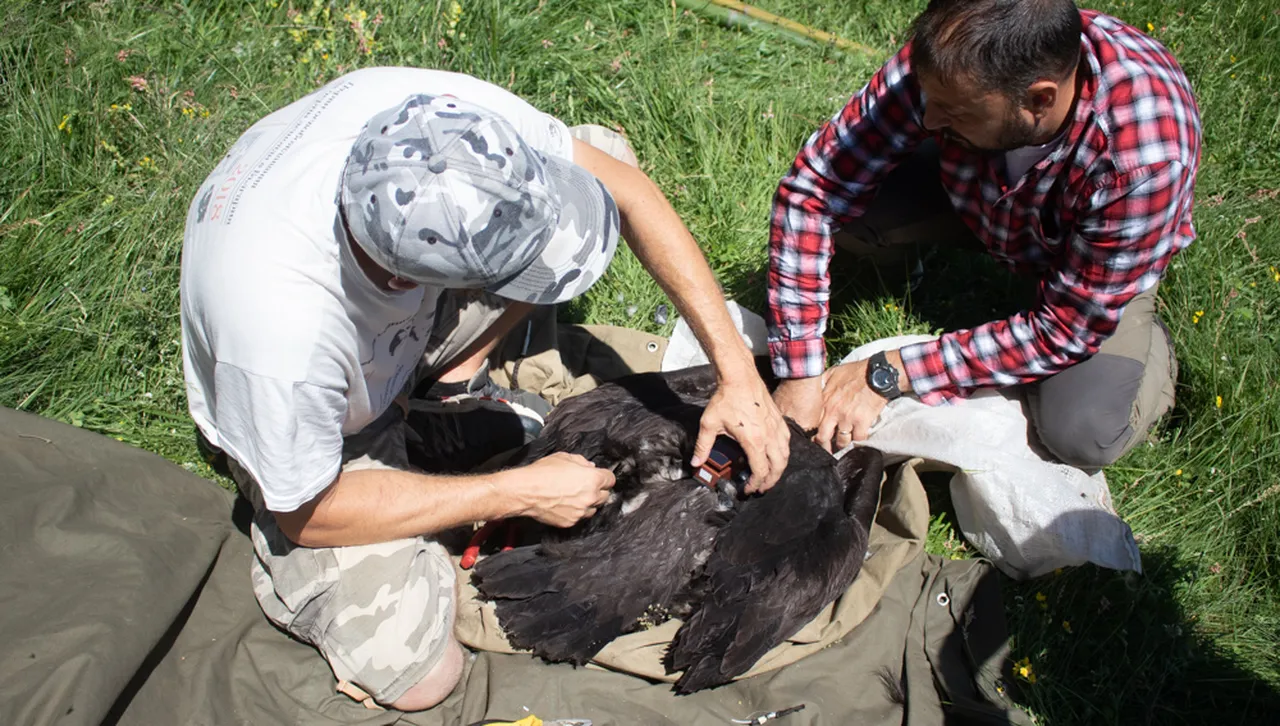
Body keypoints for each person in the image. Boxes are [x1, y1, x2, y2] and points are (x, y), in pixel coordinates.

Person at [179, 67, 788, 711]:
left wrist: (737, 373)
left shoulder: (431, 124)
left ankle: (447, 384)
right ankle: (408, 447)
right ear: (404, 280)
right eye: (515, 272)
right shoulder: (280, 337)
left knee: (599, 161)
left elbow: (629, 191)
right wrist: (516, 491)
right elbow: (309, 513)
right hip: (327, 434)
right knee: (420, 674)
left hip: (384, 328)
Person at [767, 0, 1200, 468]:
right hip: (983, 204)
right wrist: (799, 373)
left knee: (1082, 432)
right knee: (853, 202)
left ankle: (1150, 351)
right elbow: (813, 190)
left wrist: (890, 372)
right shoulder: (956, 56)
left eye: (955, 112)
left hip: (1084, 263)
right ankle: (900, 273)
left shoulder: (1143, 159)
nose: (930, 120)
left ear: (1040, 100)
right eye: (929, 99)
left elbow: (1063, 330)